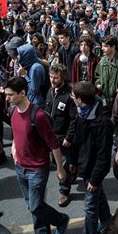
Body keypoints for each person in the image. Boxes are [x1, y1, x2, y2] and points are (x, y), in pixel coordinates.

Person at [4, 76, 70, 234]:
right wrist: (14, 149)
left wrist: (60, 169)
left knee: (35, 206)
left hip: (37, 169)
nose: (7, 98)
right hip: (20, 167)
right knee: (32, 204)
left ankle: (61, 220)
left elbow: (53, 144)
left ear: (22, 93)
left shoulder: (38, 116)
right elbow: (16, 134)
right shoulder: (12, 111)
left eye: (10, 95)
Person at [66, 81, 114, 234]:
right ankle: (108, 223)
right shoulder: (81, 113)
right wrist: (73, 161)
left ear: (80, 99)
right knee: (98, 196)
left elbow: (103, 155)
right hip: (85, 165)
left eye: (73, 96)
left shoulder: (103, 123)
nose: (71, 98)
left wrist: (95, 179)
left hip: (94, 171)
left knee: (90, 207)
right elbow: (77, 141)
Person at [46, 64, 77, 207]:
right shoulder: (50, 91)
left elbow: (74, 119)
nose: (52, 80)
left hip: (63, 137)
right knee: (55, 161)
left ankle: (64, 191)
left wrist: (68, 138)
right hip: (52, 136)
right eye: (51, 77)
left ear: (63, 77)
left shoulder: (69, 95)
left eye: (55, 78)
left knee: (62, 165)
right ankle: (73, 171)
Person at [96, 35, 118, 106]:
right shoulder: (102, 61)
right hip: (105, 99)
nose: (102, 48)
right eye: (102, 46)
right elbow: (97, 75)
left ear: (113, 47)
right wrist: (98, 84)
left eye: (105, 46)